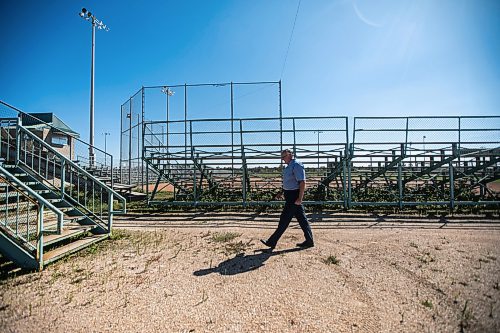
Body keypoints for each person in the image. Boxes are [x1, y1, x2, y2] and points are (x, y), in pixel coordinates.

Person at [261, 149, 314, 249]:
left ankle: (272, 241)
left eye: (283, 157)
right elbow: (288, 183)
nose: (282, 159)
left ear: (289, 155)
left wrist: (300, 198)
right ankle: (309, 241)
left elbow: (302, 182)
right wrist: (281, 192)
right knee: (302, 220)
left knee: (284, 219)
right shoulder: (289, 166)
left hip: (294, 197)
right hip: (290, 195)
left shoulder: (296, 165)